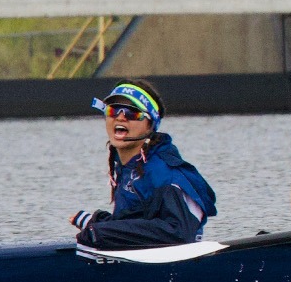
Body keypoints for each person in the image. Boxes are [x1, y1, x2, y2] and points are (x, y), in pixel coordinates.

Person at [70, 80, 218, 249]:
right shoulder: (127, 167)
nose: (120, 117)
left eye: (132, 113)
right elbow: (137, 223)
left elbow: (180, 233)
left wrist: (99, 233)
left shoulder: (163, 172)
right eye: (113, 110)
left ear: (150, 125)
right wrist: (96, 222)